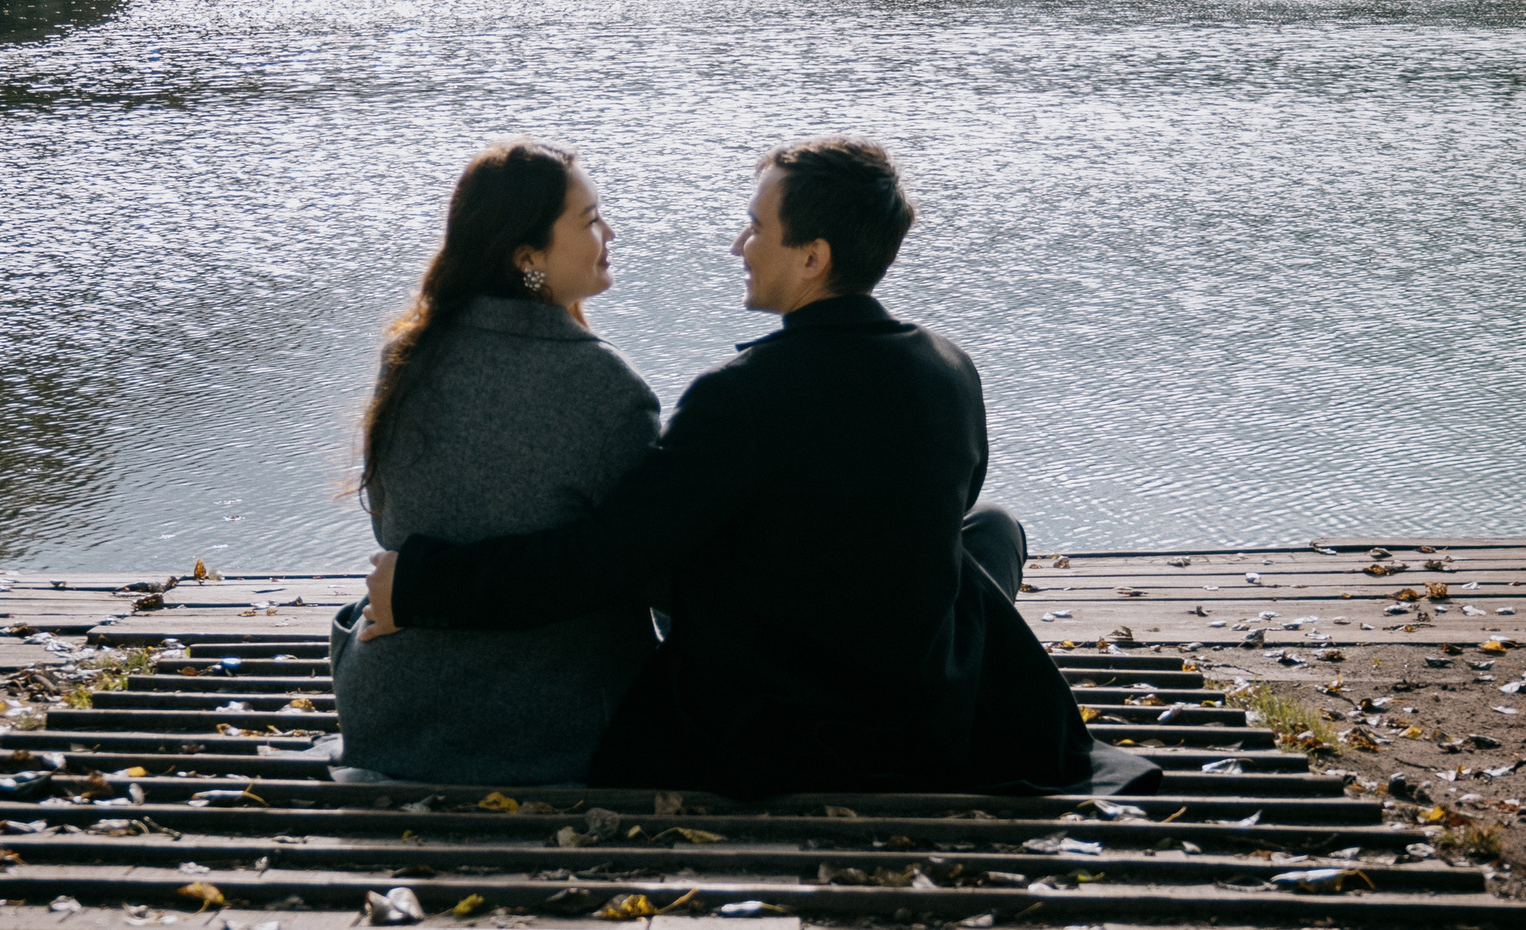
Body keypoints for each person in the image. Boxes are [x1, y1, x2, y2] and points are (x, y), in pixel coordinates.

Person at [361, 138, 1153, 801]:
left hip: (769, 729)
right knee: (985, 532)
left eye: (755, 227)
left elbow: (606, 560)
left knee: (900, 542)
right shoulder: (951, 369)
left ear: (812, 256)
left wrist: (424, 584)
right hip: (919, 714)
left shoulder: (735, 397)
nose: (739, 245)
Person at [329, 140, 661, 786]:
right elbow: (649, 564)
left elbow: (390, 528)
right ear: (527, 257)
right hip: (553, 727)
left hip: (392, 714)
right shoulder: (608, 388)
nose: (610, 231)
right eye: (591, 219)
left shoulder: (408, 355)